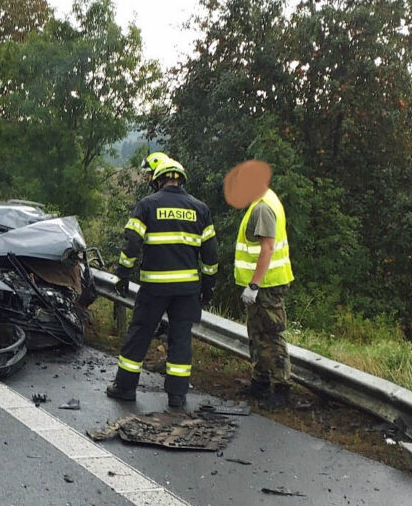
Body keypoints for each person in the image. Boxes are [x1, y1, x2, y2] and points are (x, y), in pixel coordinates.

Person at [106, 153, 218, 411]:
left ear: (157, 181)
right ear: (181, 180)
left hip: (154, 288)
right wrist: (208, 287)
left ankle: (125, 388)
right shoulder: (200, 209)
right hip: (187, 290)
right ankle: (177, 396)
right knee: (180, 339)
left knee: (140, 334)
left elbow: (132, 244)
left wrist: (123, 275)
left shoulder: (147, 205)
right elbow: (210, 255)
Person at [235, 180, 295, 408]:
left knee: (271, 334)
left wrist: (254, 285)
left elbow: (267, 248)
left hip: (267, 284)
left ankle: (281, 387)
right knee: (257, 332)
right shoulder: (264, 200)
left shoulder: (262, 207)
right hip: (263, 284)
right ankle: (260, 382)